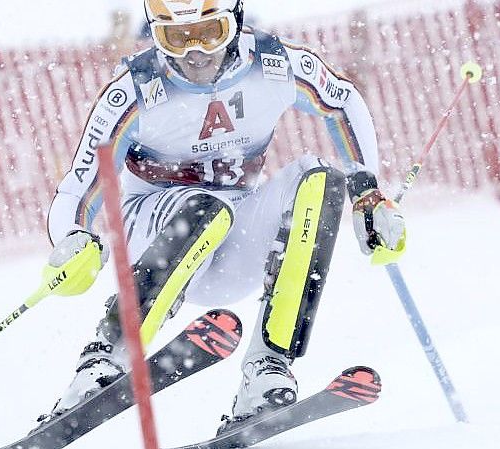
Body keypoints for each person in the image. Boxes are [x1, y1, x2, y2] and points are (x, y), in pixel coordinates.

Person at [42, 0, 405, 432]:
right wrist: (71, 237)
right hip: (156, 235)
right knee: (206, 210)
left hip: (235, 243)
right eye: (175, 38)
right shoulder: (134, 91)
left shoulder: (275, 65)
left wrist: (369, 195)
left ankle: (268, 366)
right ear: (155, 34)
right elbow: (77, 188)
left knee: (320, 180)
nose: (193, 53)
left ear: (234, 21)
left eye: (209, 33)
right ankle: (104, 358)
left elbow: (342, 102)